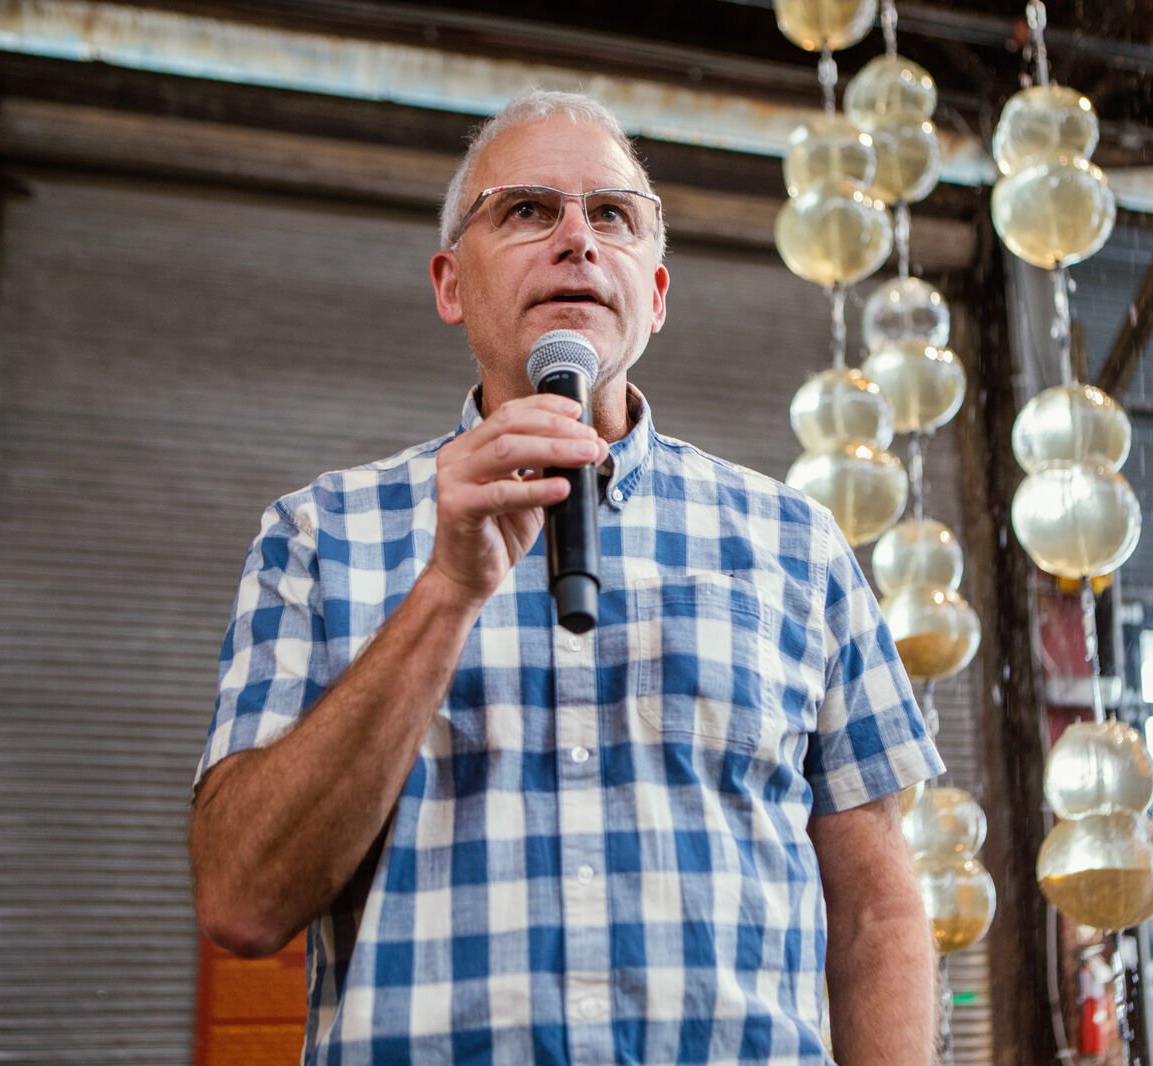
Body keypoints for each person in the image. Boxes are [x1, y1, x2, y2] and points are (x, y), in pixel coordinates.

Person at [187, 89, 944, 1065]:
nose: (578, 240)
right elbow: (243, 899)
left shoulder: (797, 544)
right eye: (528, 210)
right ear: (450, 283)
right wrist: (445, 593)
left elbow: (877, 914)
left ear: (655, 295)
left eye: (614, 215)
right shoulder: (319, 535)